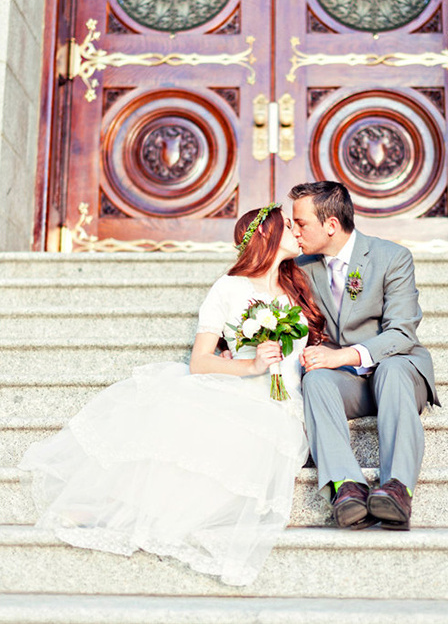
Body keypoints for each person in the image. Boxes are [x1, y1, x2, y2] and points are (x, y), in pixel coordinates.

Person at [19, 203, 324, 586]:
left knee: (239, 444)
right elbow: (200, 361)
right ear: (265, 233)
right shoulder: (228, 288)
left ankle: (148, 511)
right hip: (242, 385)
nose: (298, 230)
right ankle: (114, 504)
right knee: (185, 421)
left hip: (281, 406)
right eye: (289, 225)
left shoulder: (298, 288)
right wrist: (249, 366)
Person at [289, 181, 440, 531]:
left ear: (330, 225)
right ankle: (347, 486)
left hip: (398, 371)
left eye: (301, 223)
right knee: (316, 379)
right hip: (350, 386)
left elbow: (402, 333)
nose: (294, 231)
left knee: (392, 370)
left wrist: (342, 356)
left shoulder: (392, 257)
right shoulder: (302, 267)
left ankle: (398, 489)